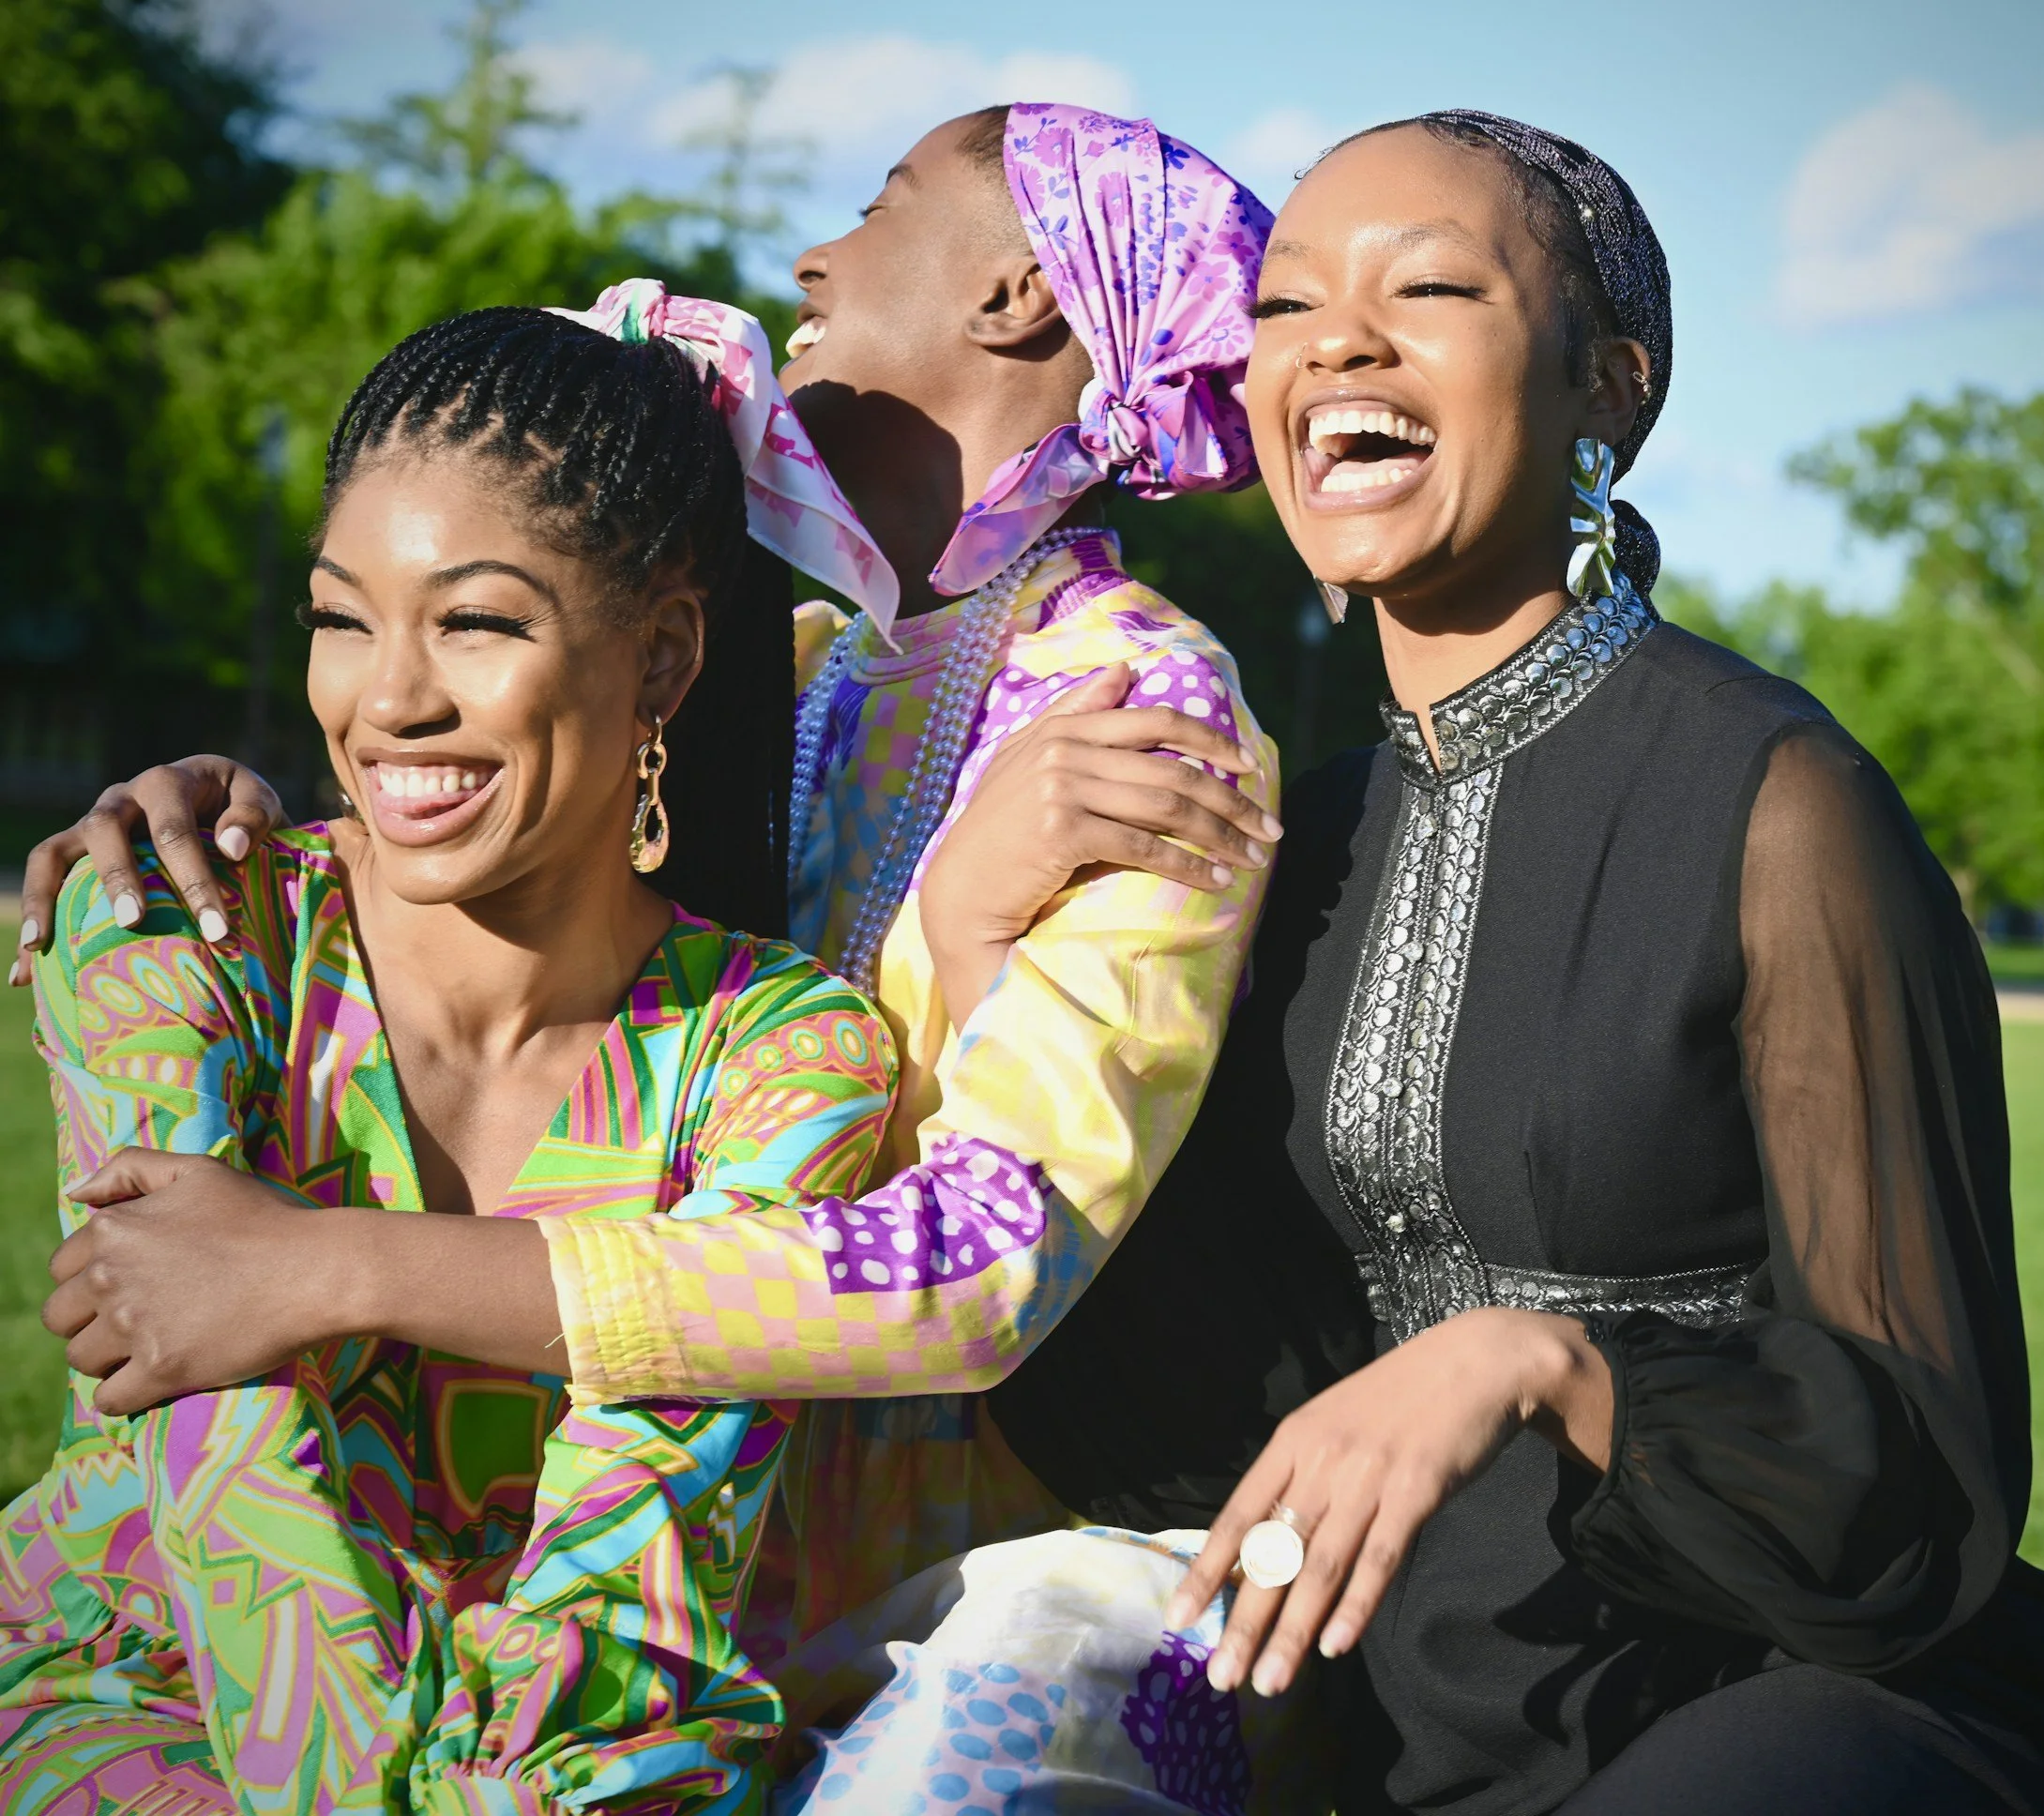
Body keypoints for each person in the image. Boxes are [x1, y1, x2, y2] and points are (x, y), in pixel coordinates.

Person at [16, 104, 1294, 1783]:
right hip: (511, 1561)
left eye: (876, 200)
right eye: (341, 618)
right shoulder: (826, 654)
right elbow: (509, 851)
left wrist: (325, 1264)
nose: (812, 259)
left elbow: (982, 1256)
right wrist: (248, 820)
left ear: (1013, 295)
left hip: (826, 1567)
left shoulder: (1137, 699)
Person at [954, 113, 2044, 1814]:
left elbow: (1926, 1469)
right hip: (1420, 1718)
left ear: (1607, 389)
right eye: (1286, 308)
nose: (1338, 344)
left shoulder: (1780, 806)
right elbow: (1165, 1407)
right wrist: (979, 939)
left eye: (1428, 286)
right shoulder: (1304, 841)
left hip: (1791, 1694)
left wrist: (1547, 1359)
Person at [0, 298, 898, 1812]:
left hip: (576, 1755)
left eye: (476, 621)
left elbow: (640, 1569)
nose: (389, 699)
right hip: (148, 1683)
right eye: (342, 619)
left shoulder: (782, 1054)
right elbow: (231, 1482)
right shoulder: (180, 936)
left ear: (662, 657)